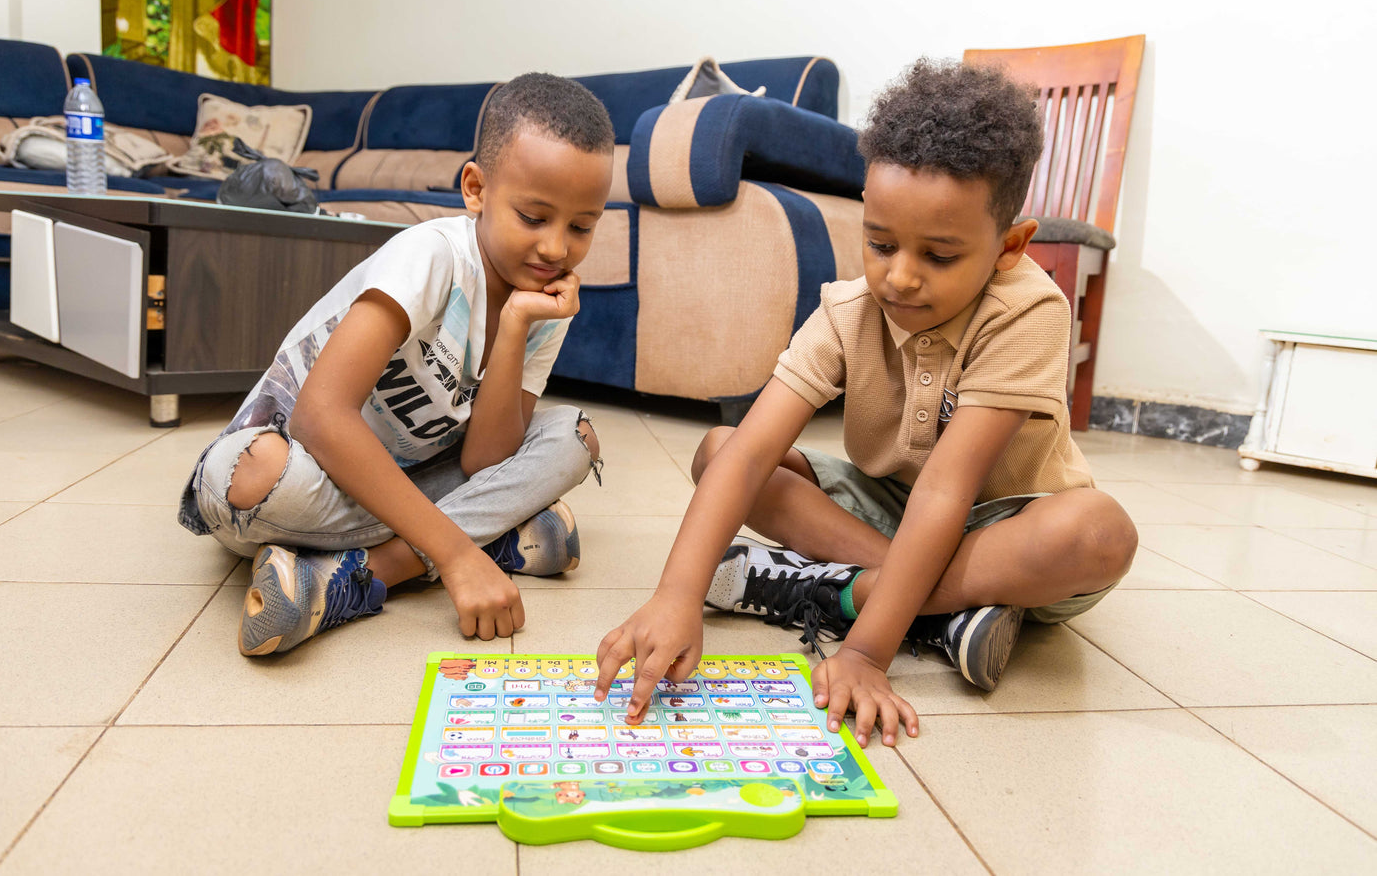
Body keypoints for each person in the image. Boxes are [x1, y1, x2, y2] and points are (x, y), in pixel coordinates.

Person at [594, 59, 1137, 747]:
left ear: (1009, 246)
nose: (899, 277)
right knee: (720, 450)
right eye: (879, 243)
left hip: (1008, 526)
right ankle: (947, 615)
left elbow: (947, 490)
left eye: (939, 256)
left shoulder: (1028, 310)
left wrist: (864, 652)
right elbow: (752, 452)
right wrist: (676, 595)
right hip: (892, 508)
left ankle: (838, 594)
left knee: (1098, 533)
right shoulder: (849, 309)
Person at [176, 73, 615, 655]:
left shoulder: (546, 300)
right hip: (299, 474)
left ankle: (358, 577)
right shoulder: (433, 255)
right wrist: (457, 556)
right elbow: (318, 418)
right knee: (249, 477)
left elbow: (486, 461)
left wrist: (514, 327)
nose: (556, 249)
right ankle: (490, 538)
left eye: (581, 227)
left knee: (573, 439)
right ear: (476, 190)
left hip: (406, 481)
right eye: (534, 218)